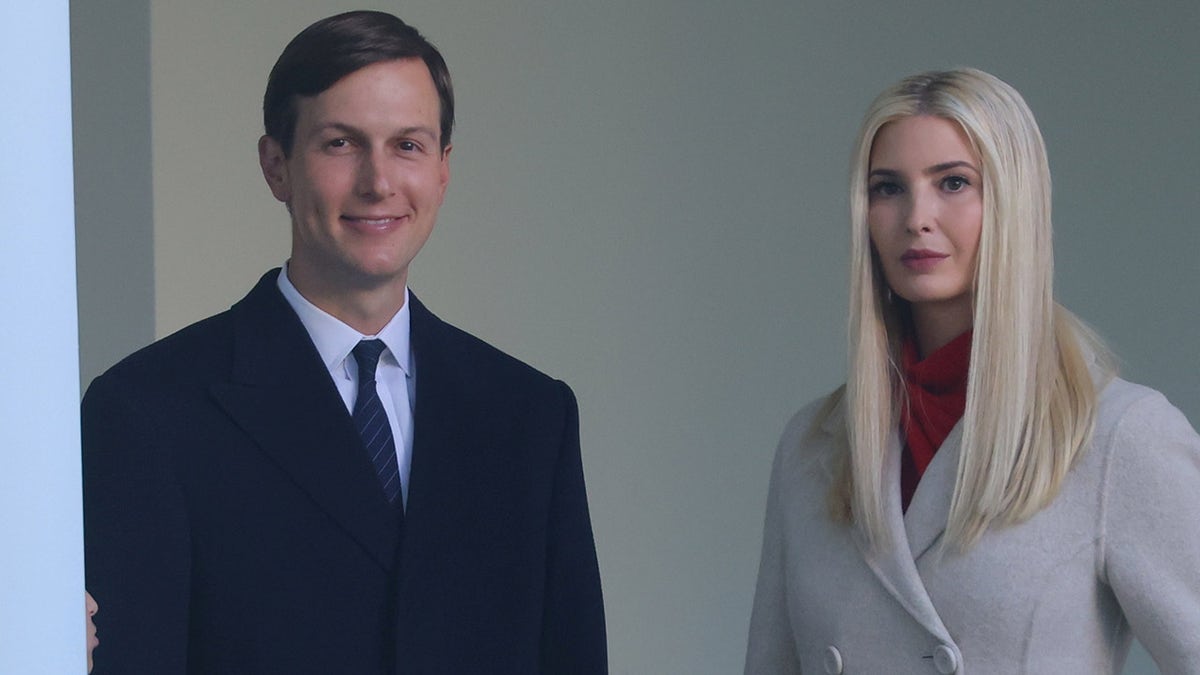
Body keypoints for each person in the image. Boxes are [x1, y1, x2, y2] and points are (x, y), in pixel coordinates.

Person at [82, 10, 606, 674]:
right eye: (340, 143)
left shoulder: (531, 416)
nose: (378, 182)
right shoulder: (148, 412)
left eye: (408, 145)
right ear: (277, 166)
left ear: (443, 170)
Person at [744, 68, 1200, 674]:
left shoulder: (1116, 436)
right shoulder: (813, 447)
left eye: (953, 183)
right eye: (888, 188)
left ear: (1014, 202)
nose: (916, 217)